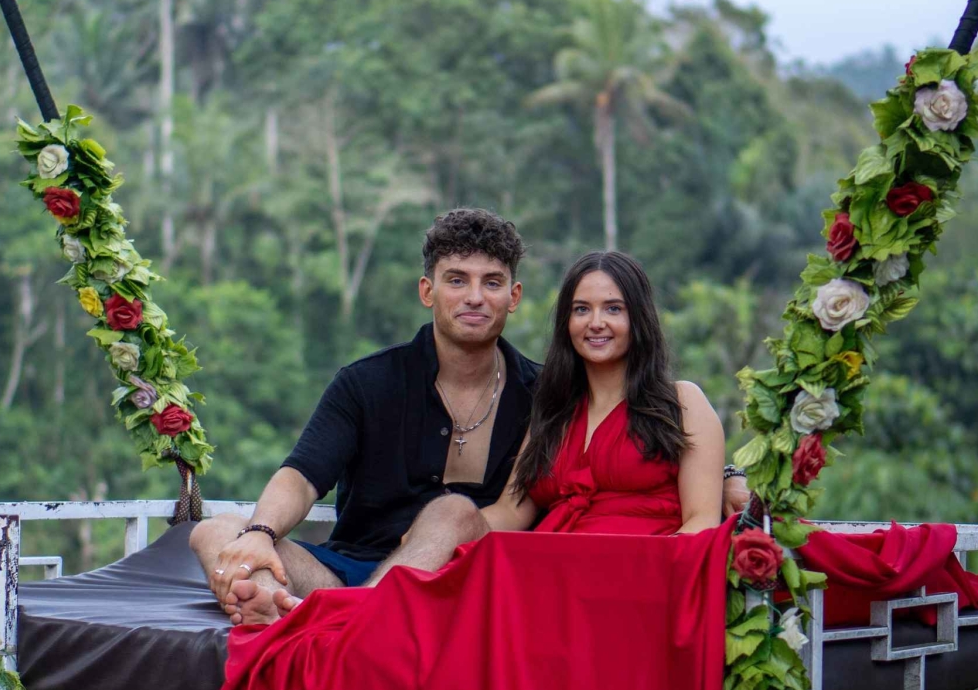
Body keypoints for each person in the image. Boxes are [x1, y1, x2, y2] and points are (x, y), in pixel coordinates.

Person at [215, 249, 741, 690]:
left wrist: (704, 509)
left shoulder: (681, 401)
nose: (596, 322)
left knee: (495, 555)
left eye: (613, 308)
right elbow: (512, 511)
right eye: (581, 309)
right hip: (541, 569)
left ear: (640, 319)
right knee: (457, 539)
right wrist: (441, 537)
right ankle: (352, 618)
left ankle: (345, 622)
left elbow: (699, 523)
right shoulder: (553, 409)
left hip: (631, 578)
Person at [189, 208, 748, 624]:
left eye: (492, 283)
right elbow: (301, 475)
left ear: (514, 297)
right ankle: (338, 616)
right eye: (457, 280)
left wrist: (723, 473)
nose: (475, 297)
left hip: (457, 581)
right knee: (214, 531)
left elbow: (632, 435)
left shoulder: (543, 395)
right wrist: (260, 533)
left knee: (454, 510)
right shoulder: (368, 381)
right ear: (428, 290)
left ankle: (312, 619)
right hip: (346, 574)